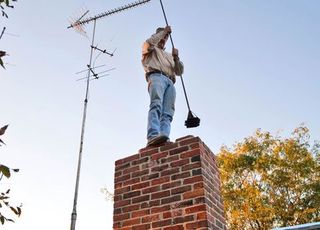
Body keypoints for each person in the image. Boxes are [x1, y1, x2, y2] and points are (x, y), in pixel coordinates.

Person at [141, 26, 184, 147]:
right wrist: (164, 32)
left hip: (170, 82)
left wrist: (176, 58)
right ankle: (153, 135)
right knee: (156, 104)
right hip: (156, 76)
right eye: (162, 36)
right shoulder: (149, 48)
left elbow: (179, 71)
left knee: (168, 113)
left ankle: (164, 137)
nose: (164, 38)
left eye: (166, 37)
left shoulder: (169, 55)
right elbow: (149, 43)